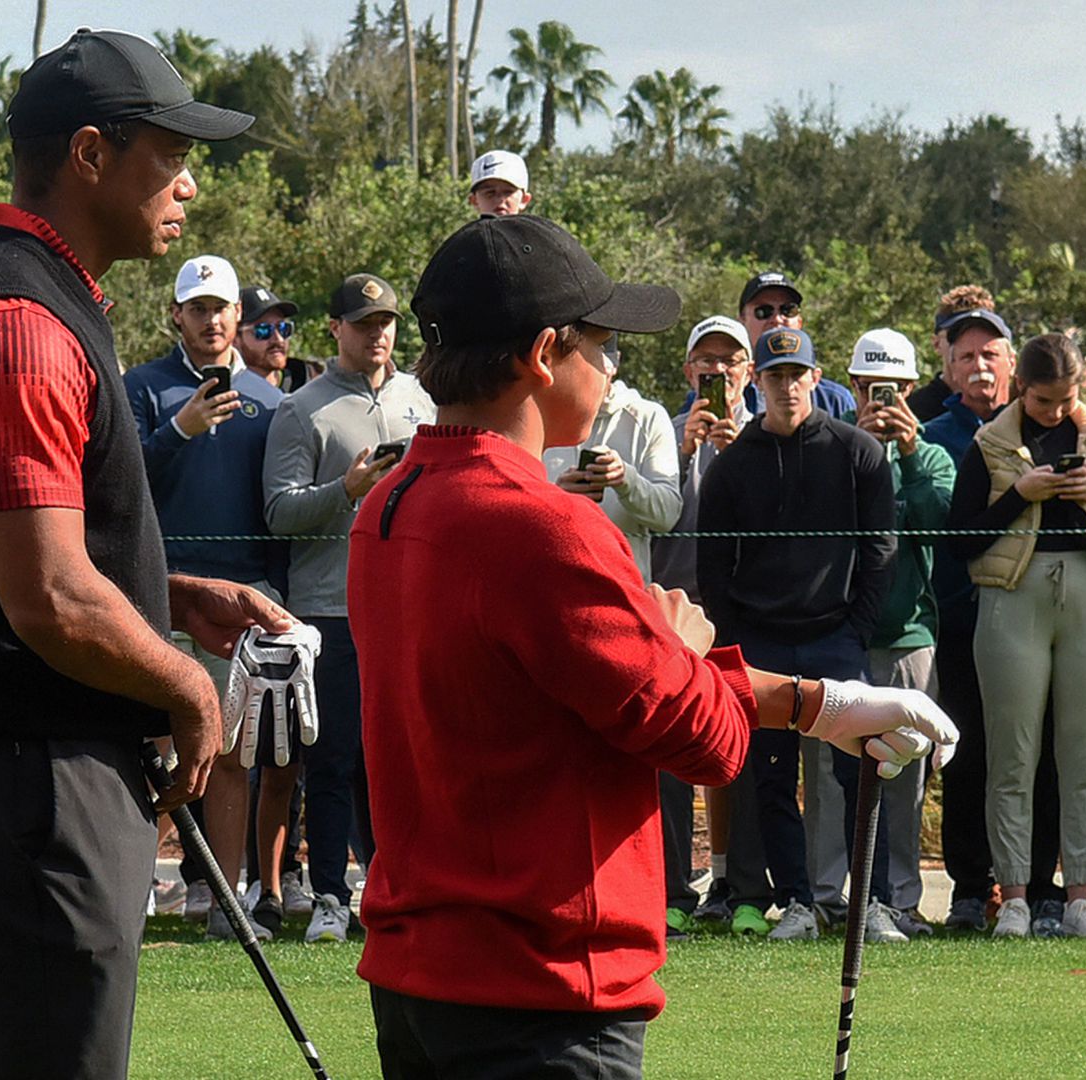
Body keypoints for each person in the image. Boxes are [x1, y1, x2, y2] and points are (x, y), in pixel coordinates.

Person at [348, 212, 953, 1077]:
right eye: (602, 345)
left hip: (422, 973)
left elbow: (602, 687)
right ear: (544, 352)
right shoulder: (545, 524)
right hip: (542, 986)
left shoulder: (391, 501)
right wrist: (677, 640)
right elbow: (699, 741)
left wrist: (820, 705)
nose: (609, 366)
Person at [0, 28, 288, 1077]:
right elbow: (51, 600)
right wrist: (188, 689)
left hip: (38, 785)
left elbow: (45, 569)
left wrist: (167, 596)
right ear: (90, 155)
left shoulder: (43, 301)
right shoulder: (16, 320)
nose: (191, 186)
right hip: (32, 795)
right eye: (172, 152)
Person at [697, 326, 897, 941]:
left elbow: (881, 549)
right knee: (774, 777)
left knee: (862, 768)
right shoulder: (732, 466)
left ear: (816, 377)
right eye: (775, 375)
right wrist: (738, 644)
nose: (787, 387)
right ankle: (798, 902)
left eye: (797, 374)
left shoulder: (858, 451)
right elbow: (713, 569)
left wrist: (855, 628)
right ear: (756, 382)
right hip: (762, 642)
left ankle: (873, 903)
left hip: (835, 637)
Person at [123, 254, 293, 939]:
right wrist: (179, 429)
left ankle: (228, 903)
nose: (212, 319)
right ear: (176, 316)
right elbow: (121, 480)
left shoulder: (274, 403)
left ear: (236, 317)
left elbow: (278, 503)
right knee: (137, 745)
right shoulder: (142, 387)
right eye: (197, 308)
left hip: (238, 598)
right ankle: (125, 892)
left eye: (222, 308)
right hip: (152, 590)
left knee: (227, 751)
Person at [263, 271, 434, 943]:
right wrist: (346, 487)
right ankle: (331, 894)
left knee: (397, 760)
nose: (378, 335)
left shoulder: (423, 400)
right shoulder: (301, 409)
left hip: (408, 606)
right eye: (364, 324)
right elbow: (278, 513)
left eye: (387, 323)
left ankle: (391, 891)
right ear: (335, 329)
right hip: (330, 608)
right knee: (333, 759)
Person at [947, 332, 1086, 938]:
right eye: (1044, 401)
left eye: (1066, 399)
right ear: (1020, 387)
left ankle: (1079, 896)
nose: (1055, 412)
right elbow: (961, 539)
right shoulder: (989, 443)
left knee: (1084, 754)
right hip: (1011, 597)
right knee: (1013, 753)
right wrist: (1018, 497)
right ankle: (1017, 896)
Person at [923, 306, 1058, 931]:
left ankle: (1041, 883)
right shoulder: (931, 435)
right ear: (948, 369)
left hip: (1039, 615)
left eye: (991, 354)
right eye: (966, 356)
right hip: (961, 618)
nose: (979, 366)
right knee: (968, 755)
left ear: (1012, 366)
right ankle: (971, 887)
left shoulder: (1048, 427)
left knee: (1040, 752)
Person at [821, 327, 955, 939]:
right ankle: (829, 895)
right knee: (828, 775)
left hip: (907, 635)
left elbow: (937, 526)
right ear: (851, 388)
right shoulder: (831, 449)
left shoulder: (930, 456)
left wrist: (902, 453)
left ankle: (899, 899)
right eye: (873, 388)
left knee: (906, 774)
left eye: (896, 388)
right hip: (837, 630)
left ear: (910, 388)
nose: (884, 399)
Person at [650, 315, 755, 932]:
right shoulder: (663, 432)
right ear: (689, 371)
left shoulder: (762, 438)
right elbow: (657, 518)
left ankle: (732, 881)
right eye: (706, 363)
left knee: (733, 747)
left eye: (730, 363)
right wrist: (686, 450)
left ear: (747, 372)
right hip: (673, 609)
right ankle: (670, 888)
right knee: (667, 751)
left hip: (738, 612)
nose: (718, 372)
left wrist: (737, 456)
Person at [542, 337, 682, 589]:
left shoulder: (648, 417)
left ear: (613, 365)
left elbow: (668, 515)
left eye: (600, 364)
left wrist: (626, 480)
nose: (593, 376)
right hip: (553, 586)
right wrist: (558, 497)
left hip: (625, 590)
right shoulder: (543, 414)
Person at [736, 270, 856, 416]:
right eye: (763, 311)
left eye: (788, 310)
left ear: (799, 321)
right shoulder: (728, 396)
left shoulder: (835, 400)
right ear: (742, 320)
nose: (777, 319)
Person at [909, 284, 996, 422]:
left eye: (982, 337)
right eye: (956, 335)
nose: (968, 344)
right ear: (937, 344)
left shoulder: (1011, 409)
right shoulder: (914, 411)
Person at [237, 284, 298, 387]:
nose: (278, 339)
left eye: (283, 328)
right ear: (235, 338)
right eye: (263, 330)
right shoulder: (225, 394)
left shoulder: (304, 386)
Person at [466, 150, 531, 216]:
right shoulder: (471, 226)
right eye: (490, 193)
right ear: (474, 201)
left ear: (524, 199)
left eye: (508, 192)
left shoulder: (535, 225)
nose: (499, 199)